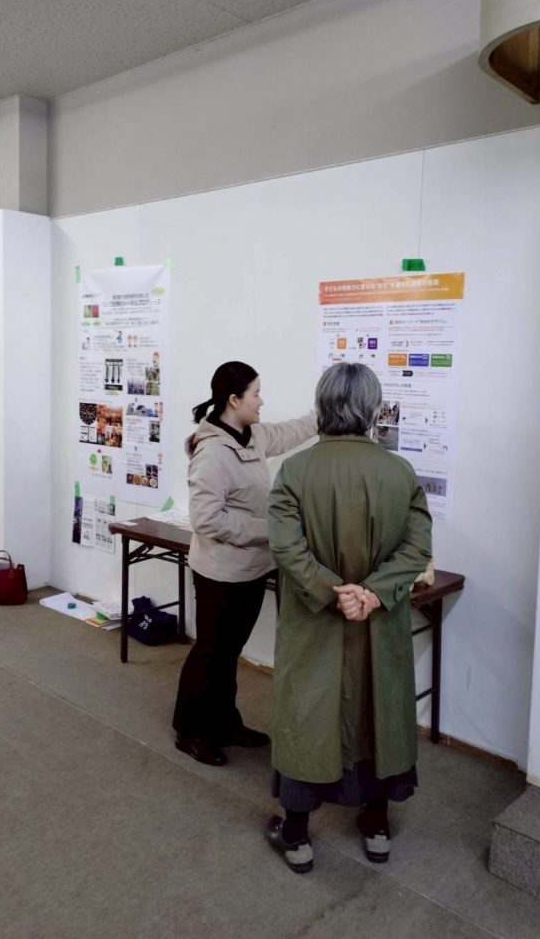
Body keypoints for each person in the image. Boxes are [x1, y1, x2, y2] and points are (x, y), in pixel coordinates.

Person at [265, 362, 432, 874]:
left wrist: (330, 591)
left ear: (322, 406)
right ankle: (377, 827)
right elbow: (417, 549)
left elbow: (285, 548)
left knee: (306, 714)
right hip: (378, 624)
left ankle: (297, 835)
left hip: (315, 622)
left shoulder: (295, 471)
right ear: (373, 409)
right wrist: (371, 595)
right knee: (378, 712)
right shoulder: (400, 473)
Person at [172, 361, 317, 767]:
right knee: (211, 652)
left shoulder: (252, 435)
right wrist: (270, 529)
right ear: (234, 400)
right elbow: (206, 519)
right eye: (255, 393)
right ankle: (190, 730)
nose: (261, 400)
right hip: (220, 574)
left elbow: (288, 432)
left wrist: (322, 414)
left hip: (252, 568)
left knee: (228, 650)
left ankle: (224, 723)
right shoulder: (212, 454)